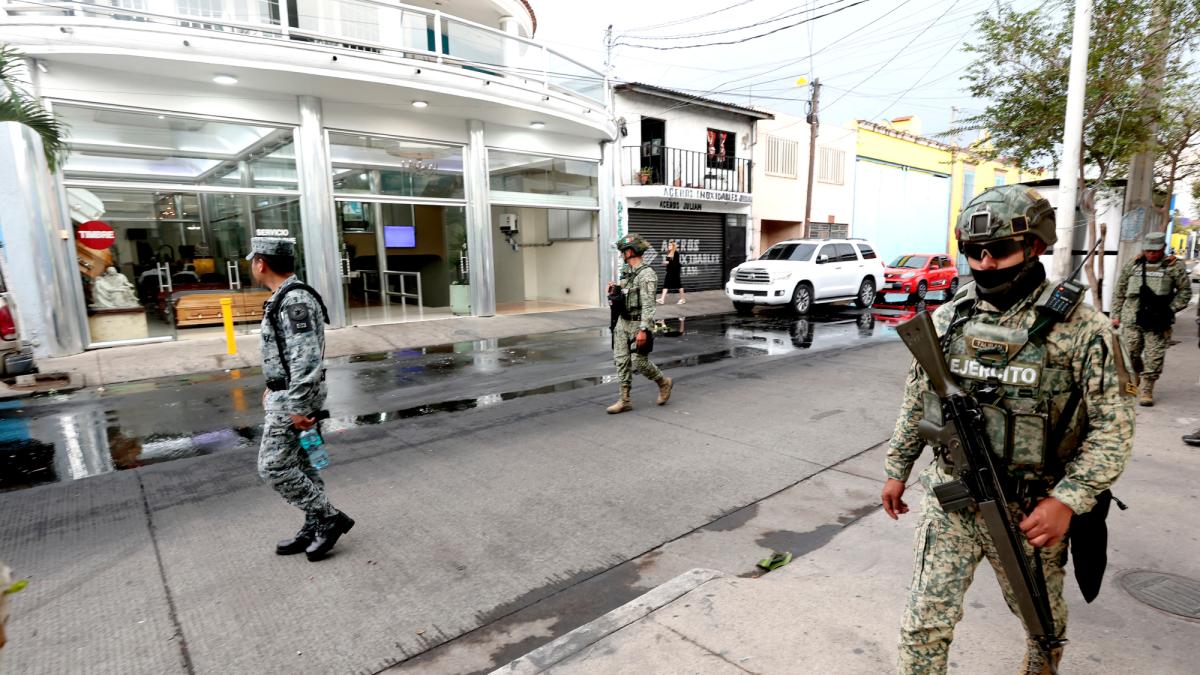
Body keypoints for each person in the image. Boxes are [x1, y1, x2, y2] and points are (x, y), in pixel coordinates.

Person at [881, 186, 1135, 674]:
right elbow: (919, 399)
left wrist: (1068, 500)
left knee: (1043, 627)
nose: (985, 263)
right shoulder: (950, 318)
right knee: (923, 623)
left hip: (1031, 510)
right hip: (953, 497)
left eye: (998, 250)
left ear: (1035, 246)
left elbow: (1113, 429)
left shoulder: (1083, 330)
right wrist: (898, 468)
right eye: (973, 252)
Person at [248, 237, 354, 562]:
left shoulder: (294, 301)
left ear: (261, 264)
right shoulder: (284, 297)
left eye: (253, 260)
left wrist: (296, 406)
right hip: (288, 393)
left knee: (274, 467)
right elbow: (288, 354)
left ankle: (329, 517)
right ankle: (313, 526)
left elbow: (306, 359)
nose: (252, 265)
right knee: (303, 464)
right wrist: (274, 384)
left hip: (296, 400)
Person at [1111, 232, 1191, 406]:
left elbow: (1185, 292)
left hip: (1157, 321)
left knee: (1154, 357)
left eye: (1155, 251)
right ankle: (1136, 377)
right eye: (1148, 251)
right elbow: (1120, 290)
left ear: (1163, 248)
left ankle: (1147, 388)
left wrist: (1170, 310)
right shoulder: (1133, 264)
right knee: (1130, 354)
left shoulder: (1174, 266)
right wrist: (1115, 315)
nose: (1151, 254)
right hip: (1132, 318)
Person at [607, 233, 673, 413]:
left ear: (630, 251)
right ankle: (625, 400)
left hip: (638, 323)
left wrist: (644, 329)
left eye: (623, 251)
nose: (621, 254)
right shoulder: (627, 271)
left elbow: (649, 306)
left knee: (639, 363)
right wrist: (615, 290)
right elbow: (625, 294)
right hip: (622, 322)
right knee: (621, 361)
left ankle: (663, 382)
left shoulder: (647, 275)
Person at [658, 240, 686, 305]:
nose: (668, 246)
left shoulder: (675, 253)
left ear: (673, 246)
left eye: (670, 245)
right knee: (666, 285)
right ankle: (662, 299)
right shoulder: (670, 253)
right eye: (668, 245)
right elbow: (669, 262)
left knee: (679, 285)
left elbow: (670, 262)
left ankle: (683, 299)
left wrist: (664, 262)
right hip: (670, 271)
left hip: (675, 272)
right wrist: (665, 263)